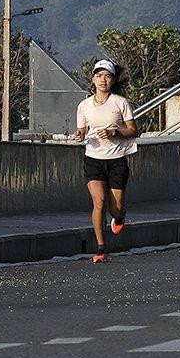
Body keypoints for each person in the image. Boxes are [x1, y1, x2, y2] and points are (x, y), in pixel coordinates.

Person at [74, 59, 139, 263]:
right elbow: (82, 130)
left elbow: (133, 130)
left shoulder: (120, 102)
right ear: (93, 79)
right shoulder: (84, 105)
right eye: (99, 76)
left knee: (115, 208)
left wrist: (115, 131)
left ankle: (119, 217)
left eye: (108, 76)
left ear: (112, 80)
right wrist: (78, 134)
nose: (103, 80)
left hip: (117, 159)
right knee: (99, 201)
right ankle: (101, 248)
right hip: (93, 158)